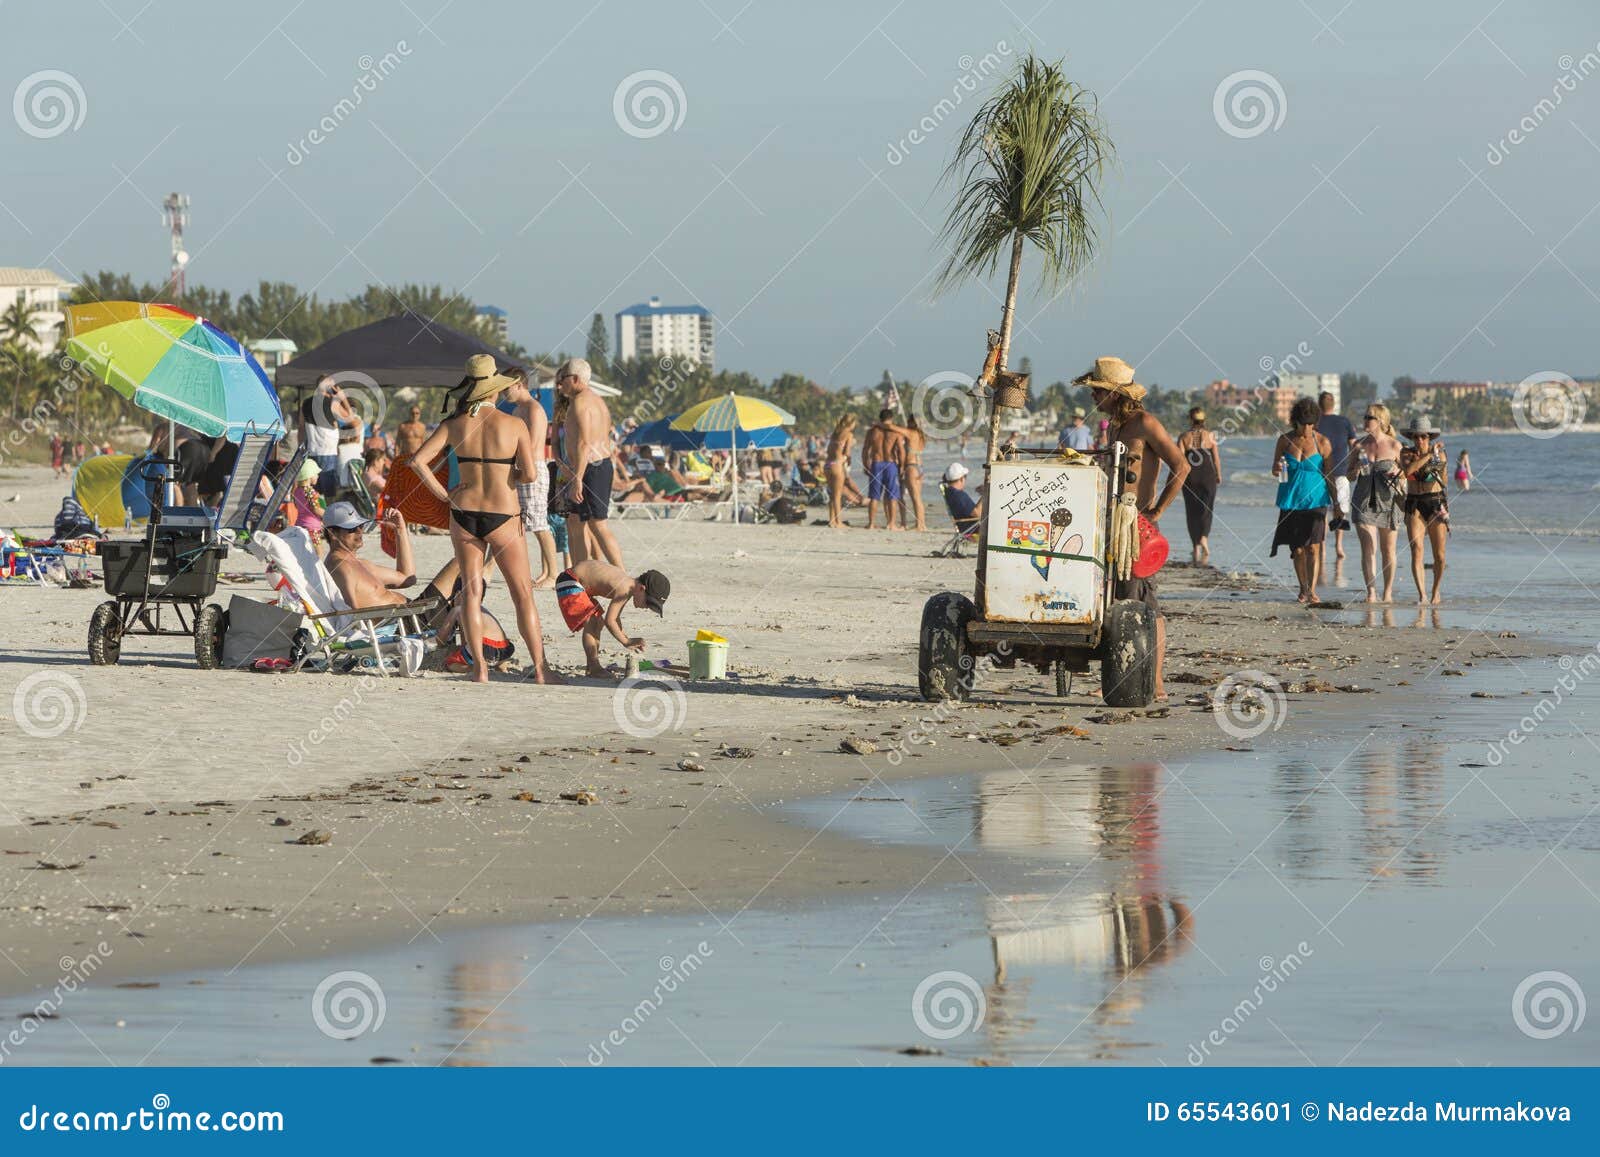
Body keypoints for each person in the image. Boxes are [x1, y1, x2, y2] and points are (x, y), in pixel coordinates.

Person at [408, 355, 559, 684]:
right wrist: (508, 475)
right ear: (493, 389)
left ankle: (479, 669)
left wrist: (444, 495)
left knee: (471, 594)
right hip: (503, 515)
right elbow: (531, 474)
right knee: (523, 594)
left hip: (463, 514)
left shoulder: (454, 423)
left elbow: (418, 461)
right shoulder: (514, 424)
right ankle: (541, 670)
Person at [1078, 356, 1187, 700]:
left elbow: (1181, 467)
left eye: (1098, 391)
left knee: (1143, 604)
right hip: (1112, 523)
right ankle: (1121, 673)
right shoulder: (1116, 427)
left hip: (1136, 524)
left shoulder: (1145, 423)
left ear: (1116, 394)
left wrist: (1155, 511)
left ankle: (1154, 682)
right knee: (1116, 600)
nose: (1093, 397)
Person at [557, 358, 623, 568]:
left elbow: (585, 442)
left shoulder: (580, 402)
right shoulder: (596, 400)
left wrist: (577, 478)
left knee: (598, 524)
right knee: (575, 522)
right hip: (594, 466)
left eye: (563, 378)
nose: (560, 384)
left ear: (575, 379)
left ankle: (622, 574)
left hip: (591, 468)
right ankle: (580, 573)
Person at [554, 561, 670, 678]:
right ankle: (594, 667)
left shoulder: (627, 586)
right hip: (570, 580)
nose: (646, 607)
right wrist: (626, 641)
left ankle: (592, 667)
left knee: (597, 622)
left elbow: (616, 618)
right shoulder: (624, 589)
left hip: (575, 582)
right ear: (641, 588)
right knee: (592, 622)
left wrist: (624, 636)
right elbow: (610, 621)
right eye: (648, 603)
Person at [1270, 396, 1334, 604]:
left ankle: (1312, 590)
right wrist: (1277, 469)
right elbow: (1274, 469)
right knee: (1297, 549)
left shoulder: (1322, 442)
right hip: (1291, 500)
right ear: (1294, 421)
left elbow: (1330, 475)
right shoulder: (1284, 440)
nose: (1307, 428)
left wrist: (1339, 505)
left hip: (1316, 501)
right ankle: (1303, 588)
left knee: (1313, 547)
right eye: (1303, 423)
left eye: (1310, 423)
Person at [503, 369, 560, 589]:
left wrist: (521, 470)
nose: (503, 393)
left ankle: (554, 573)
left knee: (538, 523)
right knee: (525, 521)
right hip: (521, 467)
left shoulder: (534, 410)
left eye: (506, 387)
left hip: (533, 468)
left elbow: (535, 446)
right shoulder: (518, 410)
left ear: (519, 384)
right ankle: (546, 571)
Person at [1349, 402, 1404, 604]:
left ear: (1380, 421)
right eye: (1364, 417)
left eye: (1368, 417)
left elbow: (1407, 474)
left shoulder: (1395, 446)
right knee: (1368, 548)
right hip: (1363, 501)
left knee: (1388, 550)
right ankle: (1371, 592)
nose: (1364, 420)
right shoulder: (1358, 445)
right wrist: (1354, 470)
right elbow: (1348, 475)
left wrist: (1398, 473)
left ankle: (1387, 592)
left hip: (1389, 502)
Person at [1400, 417, 1449, 605]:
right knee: (1417, 549)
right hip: (1414, 502)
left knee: (1440, 554)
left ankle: (1436, 591)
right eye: (1416, 437)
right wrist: (1428, 455)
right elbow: (1408, 471)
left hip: (1435, 502)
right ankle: (1422, 594)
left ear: (1429, 437)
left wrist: (1437, 459)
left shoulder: (1440, 455)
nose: (1419, 440)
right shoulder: (1407, 453)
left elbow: (1443, 480)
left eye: (1423, 437)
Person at [1316, 391, 1357, 566]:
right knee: (1340, 509)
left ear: (1319, 405)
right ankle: (1339, 546)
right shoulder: (1344, 422)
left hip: (1319, 471)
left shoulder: (1315, 423)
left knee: (1322, 510)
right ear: (1334, 405)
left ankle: (1322, 546)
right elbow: (1354, 447)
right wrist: (1355, 466)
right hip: (1340, 470)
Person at [1175, 407, 1220, 565]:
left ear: (1190, 419)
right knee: (1207, 508)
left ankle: (1195, 547)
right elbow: (1216, 459)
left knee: (1191, 510)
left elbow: (1179, 460)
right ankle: (1204, 538)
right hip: (1207, 475)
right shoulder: (1210, 436)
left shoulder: (1183, 437)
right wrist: (1218, 475)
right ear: (1204, 420)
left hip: (1190, 476)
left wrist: (1176, 478)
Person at [300, 378, 356, 495]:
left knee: (314, 493)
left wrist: (301, 451)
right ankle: (327, 513)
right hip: (328, 454)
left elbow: (301, 429)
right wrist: (342, 397)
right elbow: (351, 419)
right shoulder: (332, 403)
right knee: (329, 494)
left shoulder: (306, 403)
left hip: (312, 452)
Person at [862, 409, 903, 530]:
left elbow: (865, 449)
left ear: (880, 418)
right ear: (891, 418)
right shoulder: (895, 432)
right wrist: (902, 466)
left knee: (874, 496)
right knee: (892, 496)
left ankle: (871, 524)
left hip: (876, 463)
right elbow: (901, 450)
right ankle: (891, 523)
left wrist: (865, 464)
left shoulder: (872, 431)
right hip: (890, 464)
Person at [824, 412, 863, 528]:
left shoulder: (835, 433)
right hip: (837, 464)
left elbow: (829, 449)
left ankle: (832, 521)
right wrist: (848, 460)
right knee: (838, 495)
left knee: (832, 495)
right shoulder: (849, 435)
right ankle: (839, 522)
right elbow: (847, 452)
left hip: (827, 464)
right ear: (851, 423)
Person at [901, 415, 929, 531]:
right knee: (918, 498)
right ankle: (922, 524)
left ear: (913, 423)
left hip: (911, 466)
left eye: (908, 421)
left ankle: (920, 525)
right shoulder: (921, 436)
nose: (907, 424)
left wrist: (879, 424)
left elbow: (894, 428)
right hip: (919, 467)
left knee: (915, 498)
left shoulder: (911, 433)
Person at [942, 462, 982, 534]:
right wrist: (985, 494)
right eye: (965, 477)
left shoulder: (949, 492)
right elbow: (978, 514)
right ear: (961, 479)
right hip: (973, 531)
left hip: (964, 528)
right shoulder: (959, 496)